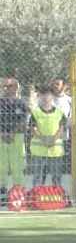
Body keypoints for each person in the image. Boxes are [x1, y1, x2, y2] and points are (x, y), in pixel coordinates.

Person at [0, 78, 28, 206]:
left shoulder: (21, 103)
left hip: (17, 136)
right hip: (1, 136)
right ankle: (2, 192)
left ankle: (18, 191)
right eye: (4, 86)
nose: (5, 88)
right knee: (2, 164)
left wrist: (11, 133)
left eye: (8, 86)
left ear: (15, 88)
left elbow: (24, 120)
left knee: (17, 164)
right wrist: (2, 132)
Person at [30, 87, 66, 186]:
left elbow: (62, 128)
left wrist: (52, 139)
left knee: (56, 174)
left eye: (48, 94)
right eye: (43, 94)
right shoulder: (36, 112)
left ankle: (57, 193)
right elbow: (33, 128)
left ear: (52, 96)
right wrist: (44, 139)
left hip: (55, 148)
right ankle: (36, 194)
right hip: (40, 148)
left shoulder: (59, 112)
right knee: (38, 173)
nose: (45, 96)